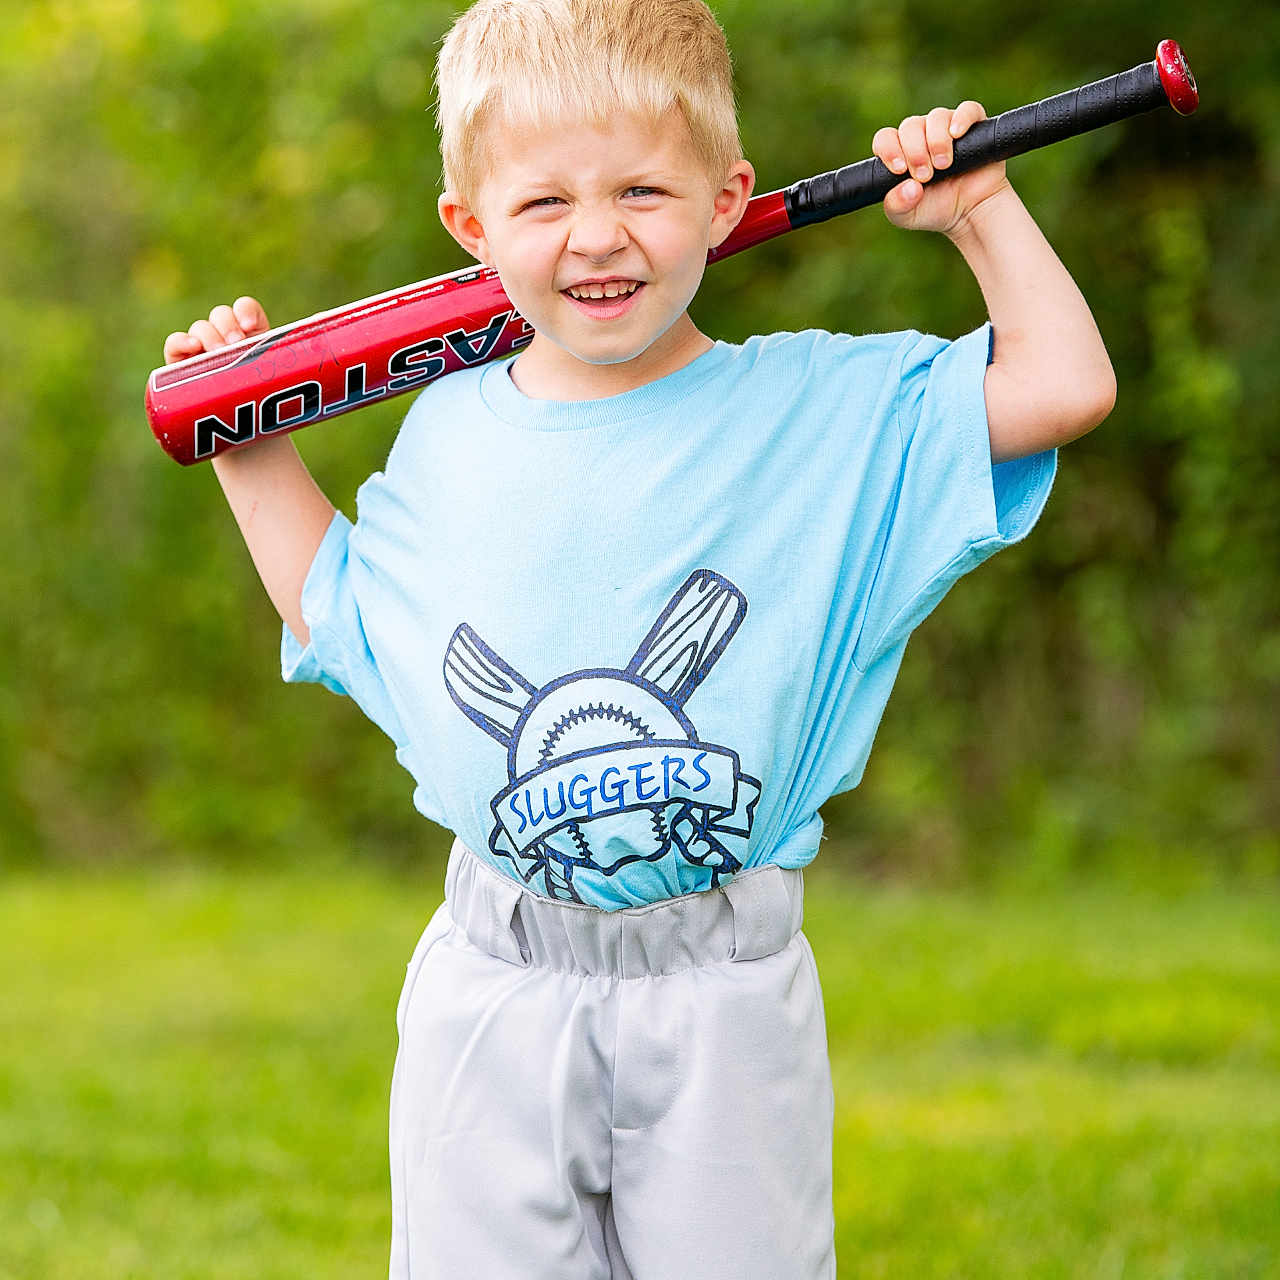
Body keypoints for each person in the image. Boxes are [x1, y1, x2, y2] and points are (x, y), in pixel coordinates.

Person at [161, 0, 1115, 1275]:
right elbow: (341, 608)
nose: (597, 235)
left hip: (721, 986)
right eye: (543, 203)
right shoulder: (449, 438)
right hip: (496, 983)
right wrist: (249, 441)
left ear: (726, 200)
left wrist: (980, 209)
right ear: (470, 225)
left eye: (642, 190)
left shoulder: (817, 410)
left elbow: (1061, 386)